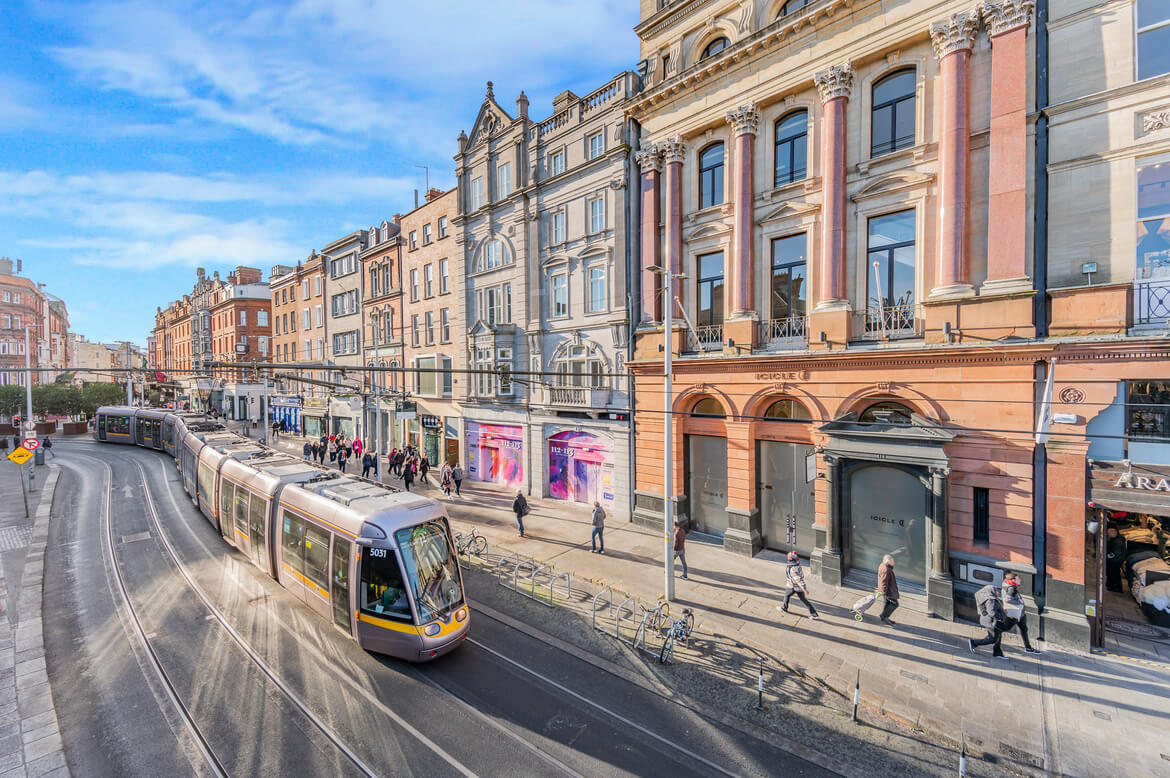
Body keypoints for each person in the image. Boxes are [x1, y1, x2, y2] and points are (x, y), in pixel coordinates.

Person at [1002, 572, 1040, 654]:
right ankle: (990, 637)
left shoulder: (1007, 585)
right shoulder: (1011, 588)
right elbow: (1008, 599)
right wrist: (1019, 601)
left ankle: (1028, 647)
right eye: (1018, 579)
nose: (1020, 580)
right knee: (1005, 628)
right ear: (1013, 580)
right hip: (1015, 614)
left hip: (1019, 614)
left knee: (1024, 629)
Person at [969, 583, 1009, 658]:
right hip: (990, 622)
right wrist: (1001, 616)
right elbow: (992, 612)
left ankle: (998, 653)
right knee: (993, 639)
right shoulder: (990, 599)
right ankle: (974, 642)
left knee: (997, 636)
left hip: (990, 621)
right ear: (991, 591)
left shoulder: (991, 598)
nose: (998, 592)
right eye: (997, 590)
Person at [779, 551, 819, 619]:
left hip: (793, 586)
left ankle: (784, 608)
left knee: (787, 595)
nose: (788, 559)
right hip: (795, 587)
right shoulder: (796, 565)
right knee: (803, 600)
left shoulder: (793, 569)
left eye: (788, 558)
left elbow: (798, 579)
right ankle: (814, 614)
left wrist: (804, 589)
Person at [877, 554, 899, 625]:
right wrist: (884, 592)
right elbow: (884, 582)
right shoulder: (886, 570)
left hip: (887, 591)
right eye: (892, 561)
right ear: (888, 562)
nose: (894, 563)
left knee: (887, 604)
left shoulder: (883, 566)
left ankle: (884, 617)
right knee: (894, 604)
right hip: (888, 591)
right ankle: (884, 616)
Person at [1105, 527, 1127, 592]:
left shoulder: (1117, 542)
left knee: (1114, 574)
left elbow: (1115, 553)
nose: (1108, 534)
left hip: (1115, 560)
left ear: (1114, 532)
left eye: (1109, 533)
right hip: (1115, 560)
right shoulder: (1116, 540)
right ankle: (1112, 585)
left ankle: (1116, 587)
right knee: (1112, 573)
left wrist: (1107, 557)